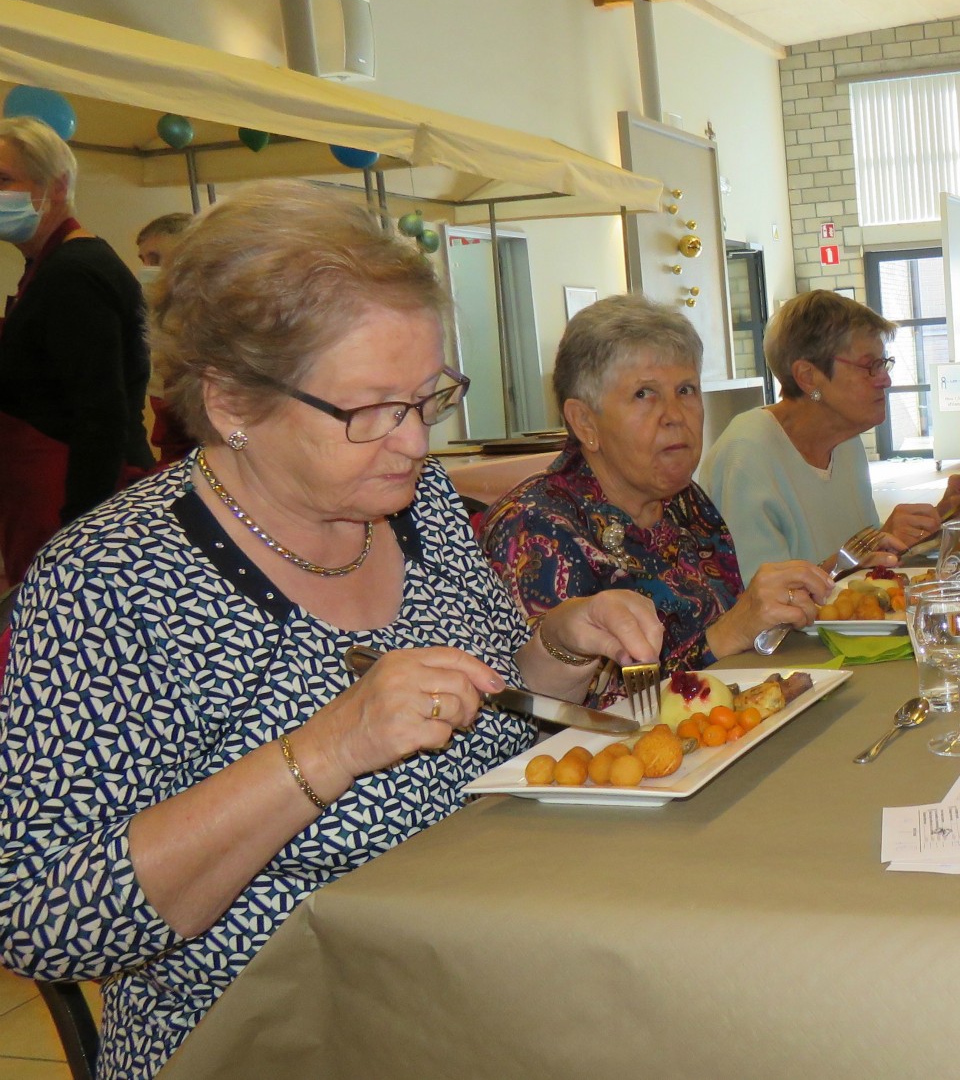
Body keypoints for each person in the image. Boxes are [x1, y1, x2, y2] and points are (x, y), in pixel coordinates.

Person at [0, 186, 663, 1079]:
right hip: (275, 1034)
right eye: (369, 411)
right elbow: (44, 918)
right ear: (232, 400)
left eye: (427, 399)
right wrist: (329, 748)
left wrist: (561, 645)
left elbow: (501, 707)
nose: (413, 442)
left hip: (488, 986)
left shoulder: (412, 508)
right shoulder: (111, 583)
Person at [481, 295, 835, 675]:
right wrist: (726, 634)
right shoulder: (535, 528)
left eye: (686, 390)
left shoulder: (683, 500)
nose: (675, 416)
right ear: (585, 423)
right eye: (644, 394)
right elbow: (566, 714)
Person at [701, 290, 960, 577]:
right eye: (869, 366)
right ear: (808, 376)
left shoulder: (845, 442)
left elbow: (865, 568)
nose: (885, 379)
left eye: (883, 363)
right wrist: (871, 544)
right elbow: (762, 605)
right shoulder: (745, 456)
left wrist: (942, 518)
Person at [0, 116, 151, 585]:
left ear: (58, 185)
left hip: (68, 495)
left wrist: (80, 530)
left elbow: (101, 414)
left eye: (4, 180)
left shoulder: (74, 273)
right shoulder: (46, 267)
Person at [135, 211, 199, 465]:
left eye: (156, 258)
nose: (148, 269)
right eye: (143, 259)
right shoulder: (158, 320)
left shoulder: (212, 325)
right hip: (172, 458)